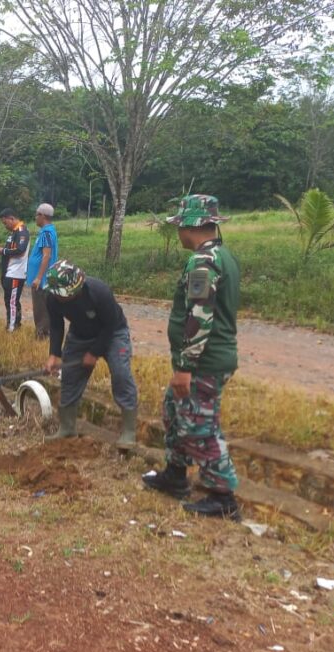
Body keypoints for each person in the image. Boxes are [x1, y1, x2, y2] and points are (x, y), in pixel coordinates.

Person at [141, 194, 241, 520]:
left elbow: (200, 316)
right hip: (204, 360)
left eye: (180, 226)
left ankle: (222, 497)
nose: (179, 232)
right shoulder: (221, 255)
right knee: (174, 411)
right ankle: (175, 474)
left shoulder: (203, 262)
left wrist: (184, 367)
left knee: (200, 426)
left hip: (203, 363)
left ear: (191, 226)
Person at [43, 260, 138, 449]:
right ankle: (67, 427)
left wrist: (94, 353)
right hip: (80, 334)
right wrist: (54, 354)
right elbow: (56, 325)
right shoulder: (52, 297)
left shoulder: (98, 292)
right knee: (70, 377)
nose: (59, 298)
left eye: (63, 295)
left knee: (120, 373)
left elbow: (110, 325)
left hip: (113, 333)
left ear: (75, 288)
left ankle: (129, 431)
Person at [0, 208, 29, 332]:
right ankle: (13, 324)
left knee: (12, 301)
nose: (5, 226)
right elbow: (10, 250)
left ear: (11, 218)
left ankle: (12, 328)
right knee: (9, 300)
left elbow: (20, 250)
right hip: (8, 272)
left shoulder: (21, 231)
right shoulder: (13, 232)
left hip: (16, 273)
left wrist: (2, 250)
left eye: (5, 223)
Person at [27, 203, 59, 339]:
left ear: (42, 216)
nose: (35, 218)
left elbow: (47, 255)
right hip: (42, 278)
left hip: (42, 280)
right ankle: (44, 333)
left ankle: (42, 335)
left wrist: (39, 278)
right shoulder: (47, 231)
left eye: (36, 214)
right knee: (42, 307)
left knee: (41, 309)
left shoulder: (46, 233)